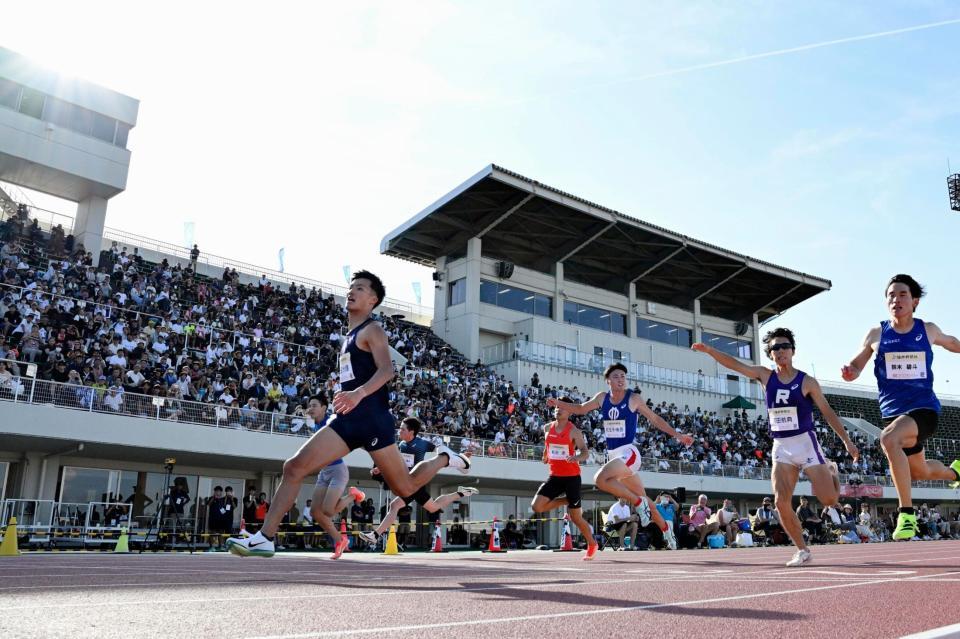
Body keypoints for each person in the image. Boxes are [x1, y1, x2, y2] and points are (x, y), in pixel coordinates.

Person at [227, 271, 471, 557]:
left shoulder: (373, 330)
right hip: (346, 420)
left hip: (373, 420)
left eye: (360, 288)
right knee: (293, 467)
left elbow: (387, 370)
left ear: (373, 299)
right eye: (351, 287)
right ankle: (265, 538)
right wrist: (345, 393)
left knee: (406, 488)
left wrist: (358, 394)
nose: (351, 291)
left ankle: (444, 457)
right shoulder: (349, 337)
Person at [693, 327, 858, 567]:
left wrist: (847, 441)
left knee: (830, 500)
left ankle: (831, 471)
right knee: (781, 502)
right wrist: (709, 350)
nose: (780, 351)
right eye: (775, 348)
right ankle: (802, 550)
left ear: (793, 351)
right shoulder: (765, 375)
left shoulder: (807, 381)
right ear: (770, 354)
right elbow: (735, 365)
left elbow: (827, 412)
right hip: (781, 445)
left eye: (784, 347)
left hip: (806, 442)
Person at [841, 274, 960, 540]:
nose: (896, 299)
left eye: (902, 294)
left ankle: (906, 515)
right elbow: (857, 364)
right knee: (920, 471)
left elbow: (953, 344)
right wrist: (851, 371)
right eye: (891, 295)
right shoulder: (876, 333)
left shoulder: (926, 329)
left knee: (889, 439)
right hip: (894, 414)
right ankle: (956, 470)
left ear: (915, 301)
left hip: (924, 410)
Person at [547, 363, 692, 538]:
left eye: (623, 376)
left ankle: (637, 502)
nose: (620, 379)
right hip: (615, 457)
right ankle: (667, 531)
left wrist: (679, 435)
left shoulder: (633, 398)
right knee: (647, 500)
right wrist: (558, 403)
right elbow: (579, 409)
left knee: (600, 479)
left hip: (629, 453)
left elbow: (655, 419)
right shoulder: (602, 398)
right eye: (616, 376)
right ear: (608, 381)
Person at [359, 417, 478, 547]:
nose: (399, 431)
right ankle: (460, 493)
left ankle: (375, 535)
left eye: (403, 429)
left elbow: (441, 450)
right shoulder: (401, 445)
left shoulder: (423, 443)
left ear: (412, 432)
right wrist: (380, 469)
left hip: (416, 482)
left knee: (395, 505)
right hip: (408, 483)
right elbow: (399, 463)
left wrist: (461, 456)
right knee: (432, 507)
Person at [530, 396, 598, 559]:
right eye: (556, 407)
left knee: (575, 517)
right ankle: (567, 500)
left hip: (571, 478)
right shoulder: (547, 428)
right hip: (554, 477)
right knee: (537, 507)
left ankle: (592, 544)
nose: (558, 409)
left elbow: (585, 452)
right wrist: (546, 455)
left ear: (570, 411)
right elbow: (548, 446)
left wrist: (576, 458)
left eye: (562, 407)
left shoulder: (574, 430)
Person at [304, 394, 365, 560]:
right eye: (309, 405)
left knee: (328, 511)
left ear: (324, 407)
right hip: (324, 472)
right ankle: (340, 540)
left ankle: (353, 495)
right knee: (316, 512)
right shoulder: (315, 425)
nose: (311, 408)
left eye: (314, 405)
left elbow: (342, 422)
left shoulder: (330, 421)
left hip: (338, 470)